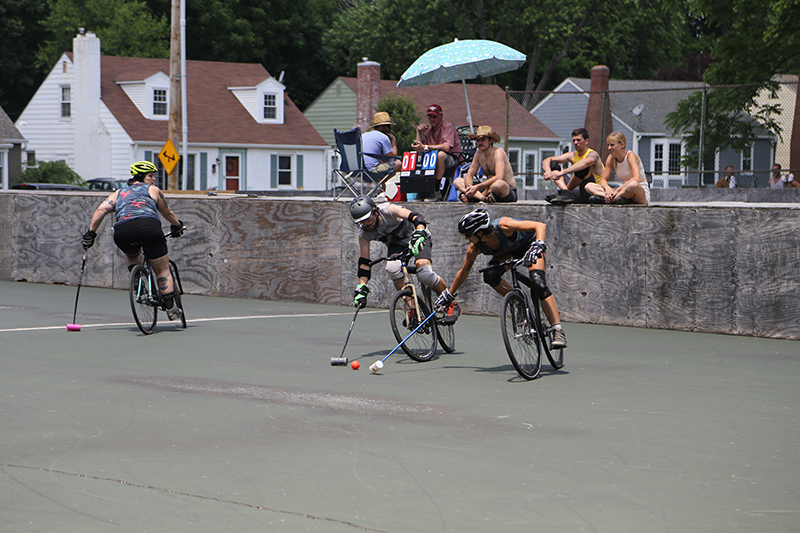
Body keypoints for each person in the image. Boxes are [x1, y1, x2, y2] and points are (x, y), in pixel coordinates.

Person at [438, 208, 566, 349]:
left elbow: (540, 225)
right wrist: (449, 294)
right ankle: (518, 301)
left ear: (480, 232)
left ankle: (557, 330)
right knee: (490, 275)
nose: (466, 239)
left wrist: (539, 244)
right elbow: (464, 272)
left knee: (538, 282)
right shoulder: (475, 248)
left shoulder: (504, 225)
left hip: (530, 247)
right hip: (508, 253)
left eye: (468, 235)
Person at [81, 161, 185, 320]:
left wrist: (91, 233)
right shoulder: (152, 190)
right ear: (142, 177)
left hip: (123, 230)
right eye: (151, 176)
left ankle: (137, 279)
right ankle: (171, 308)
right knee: (163, 270)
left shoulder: (119, 193)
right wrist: (177, 225)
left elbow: (101, 209)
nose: (153, 179)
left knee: (131, 254)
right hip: (149, 227)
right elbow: (167, 211)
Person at [350, 195, 460, 323]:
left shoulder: (388, 210)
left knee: (424, 274)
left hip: (417, 237)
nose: (365, 224)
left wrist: (420, 232)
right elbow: (364, 263)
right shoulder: (363, 234)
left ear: (375, 211)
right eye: (361, 222)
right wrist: (362, 287)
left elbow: (416, 217)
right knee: (392, 268)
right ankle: (413, 310)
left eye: (367, 219)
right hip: (397, 244)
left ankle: (451, 303)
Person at [452, 125, 518, 203]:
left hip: (505, 190)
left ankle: (475, 197)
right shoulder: (478, 153)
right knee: (457, 181)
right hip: (487, 190)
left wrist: (477, 187)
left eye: (483, 140)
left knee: (497, 184)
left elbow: (499, 177)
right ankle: (483, 198)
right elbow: (469, 174)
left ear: (490, 140)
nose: (480, 143)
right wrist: (470, 187)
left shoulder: (498, 152)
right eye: (478, 140)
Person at [542, 128, 605, 205]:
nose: (575, 143)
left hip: (591, 192)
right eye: (574, 140)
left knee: (582, 168)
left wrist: (563, 172)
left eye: (578, 140)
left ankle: (565, 193)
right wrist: (548, 171)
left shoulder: (593, 154)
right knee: (553, 164)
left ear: (586, 141)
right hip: (576, 192)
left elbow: (587, 162)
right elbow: (548, 160)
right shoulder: (572, 155)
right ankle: (565, 192)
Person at [411, 104, 463, 197]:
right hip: (433, 160)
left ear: (441, 116)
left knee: (440, 155)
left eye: (434, 116)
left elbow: (446, 147)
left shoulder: (448, 127)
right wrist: (418, 132)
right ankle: (422, 190)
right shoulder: (429, 130)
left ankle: (436, 187)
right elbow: (419, 148)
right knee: (417, 157)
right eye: (430, 117)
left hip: (454, 160)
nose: (432, 119)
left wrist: (425, 147)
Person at [597, 132, 650, 205]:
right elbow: (603, 180)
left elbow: (636, 178)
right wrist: (607, 189)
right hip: (623, 191)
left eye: (612, 145)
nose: (609, 148)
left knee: (633, 185)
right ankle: (612, 197)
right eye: (608, 145)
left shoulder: (630, 155)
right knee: (589, 186)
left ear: (622, 145)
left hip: (637, 190)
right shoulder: (611, 158)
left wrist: (618, 189)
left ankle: (609, 199)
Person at [362, 111, 401, 176]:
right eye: (388, 126)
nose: (390, 130)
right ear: (381, 126)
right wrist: (393, 139)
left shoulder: (363, 135)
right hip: (372, 171)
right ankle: (382, 183)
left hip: (359, 171)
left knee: (384, 162)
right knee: (398, 163)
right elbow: (392, 155)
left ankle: (380, 183)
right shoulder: (383, 137)